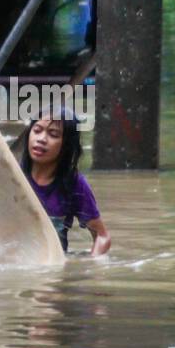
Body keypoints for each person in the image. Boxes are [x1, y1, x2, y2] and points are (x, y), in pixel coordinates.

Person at [19, 109, 111, 256]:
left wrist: (92, 266)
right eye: (37, 130)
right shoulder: (14, 174)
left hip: (55, 271)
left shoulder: (75, 184)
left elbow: (102, 236)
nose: (41, 139)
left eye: (53, 134)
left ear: (66, 145)